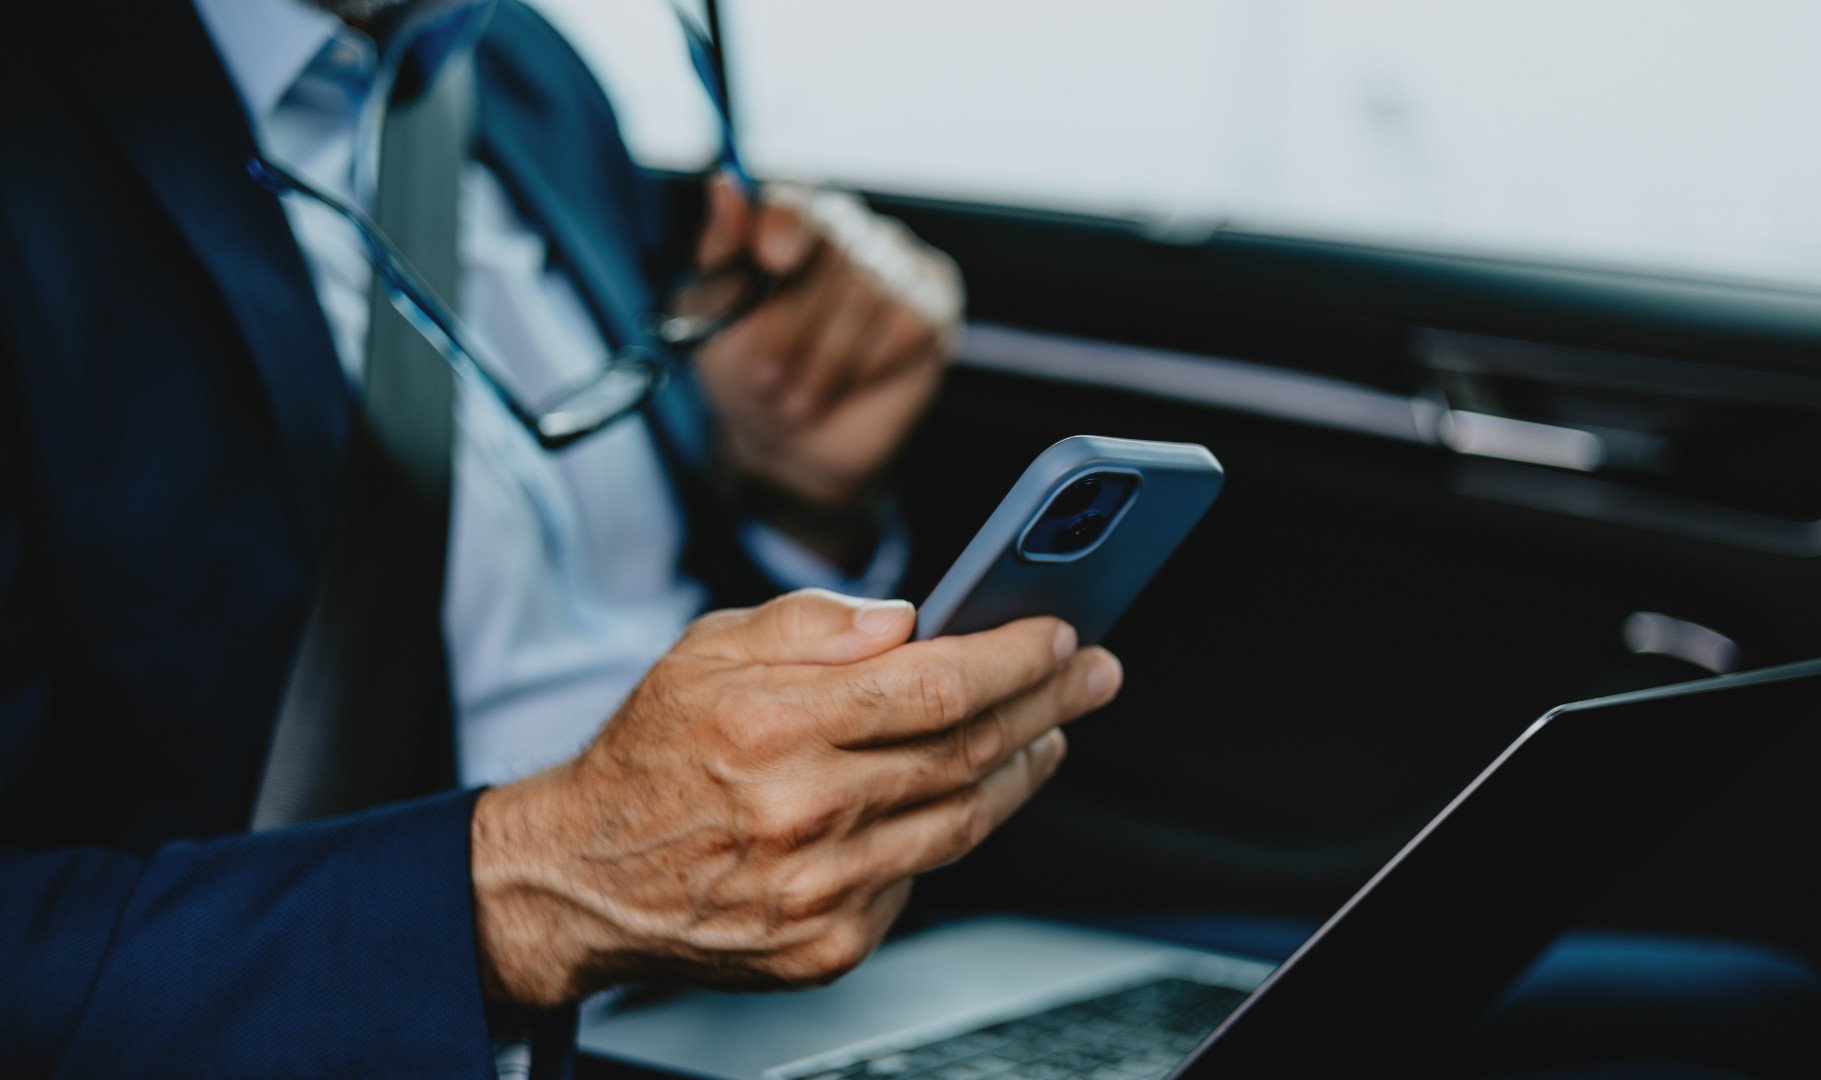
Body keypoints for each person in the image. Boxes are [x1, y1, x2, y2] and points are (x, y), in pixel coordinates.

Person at [0, 0, 1123, 1074]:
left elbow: (633, 651)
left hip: (778, 1010)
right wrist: (524, 892)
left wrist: (788, 498)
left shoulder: (528, 71)